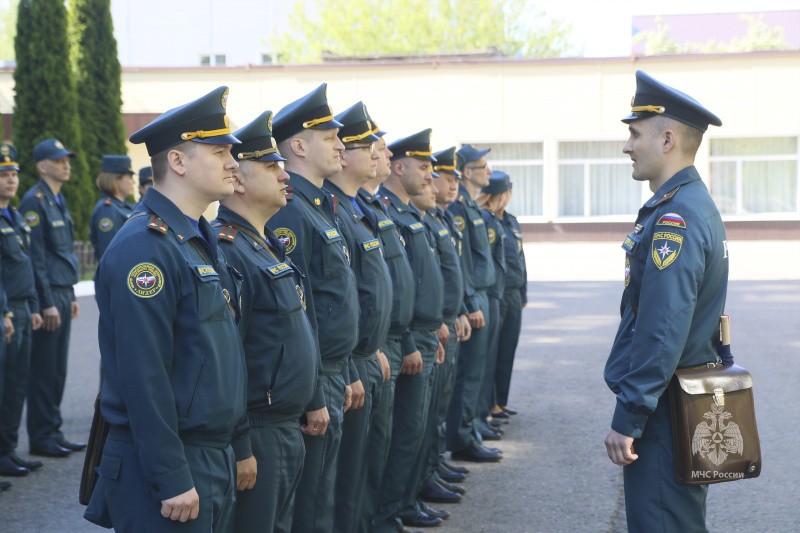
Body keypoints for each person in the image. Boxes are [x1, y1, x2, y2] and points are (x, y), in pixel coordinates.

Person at [84, 86, 251, 532]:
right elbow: (144, 372)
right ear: (177, 162)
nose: (234, 162)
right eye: (219, 152)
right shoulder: (146, 246)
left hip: (207, 453)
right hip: (166, 462)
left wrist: (238, 441)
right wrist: (170, 475)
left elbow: (218, 351)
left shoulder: (195, 237)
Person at [603, 70, 728, 532]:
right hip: (675, 400)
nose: (627, 145)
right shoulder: (688, 203)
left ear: (668, 139)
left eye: (635, 134)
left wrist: (629, 415)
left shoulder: (676, 215)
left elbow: (662, 328)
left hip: (664, 411)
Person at [212, 110, 318, 533]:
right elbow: (230, 358)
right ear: (239, 180)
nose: (284, 174)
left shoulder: (265, 242)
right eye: (271, 166)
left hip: (284, 424)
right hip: (259, 427)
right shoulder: (230, 249)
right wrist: (241, 445)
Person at [267, 83, 360, 533]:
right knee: (308, 502)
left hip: (335, 367)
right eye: (330, 137)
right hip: (316, 374)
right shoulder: (292, 211)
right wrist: (315, 390)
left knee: (323, 491)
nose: (341, 145)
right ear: (299, 146)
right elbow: (297, 311)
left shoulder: (320, 206)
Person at [325, 102, 393, 533]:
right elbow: (330, 304)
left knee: (367, 463)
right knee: (341, 480)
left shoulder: (357, 208)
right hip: (345, 363)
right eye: (367, 146)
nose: (376, 154)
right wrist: (352, 361)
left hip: (369, 353)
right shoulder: (329, 209)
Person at [375, 129, 445, 532]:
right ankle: (391, 510)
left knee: (415, 428)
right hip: (404, 337)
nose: (430, 176)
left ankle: (404, 501)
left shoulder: (409, 213)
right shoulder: (387, 210)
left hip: (420, 333)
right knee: (402, 433)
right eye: (423, 167)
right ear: (398, 168)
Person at [354, 117, 417, 533]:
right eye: (376, 148)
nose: (387, 154)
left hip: (384, 344)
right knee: (350, 475)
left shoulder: (368, 207)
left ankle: (391, 510)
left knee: (383, 447)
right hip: (359, 356)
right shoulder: (339, 210)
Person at [20, 138, 82, 458]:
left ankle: (53, 431)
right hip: (48, 297)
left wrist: (69, 293)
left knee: (57, 369)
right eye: (59, 161)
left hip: (61, 291)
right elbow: (37, 259)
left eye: (67, 159)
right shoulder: (34, 201)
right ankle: (41, 437)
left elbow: (62, 256)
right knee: (44, 369)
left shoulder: (57, 199)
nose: (66, 164)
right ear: (43, 166)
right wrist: (45, 302)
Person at [445, 144, 501, 462]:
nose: (489, 172)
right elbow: (459, 261)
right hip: (473, 297)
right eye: (483, 166)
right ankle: (462, 439)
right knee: (466, 374)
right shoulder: (456, 208)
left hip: (482, 293)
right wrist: (468, 303)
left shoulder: (470, 207)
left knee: (477, 371)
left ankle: (470, 430)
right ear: (466, 171)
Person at [0, 143, 44, 481]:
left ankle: (6, 452)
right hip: (5, 310)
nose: (11, 180)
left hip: (21, 308)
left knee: (15, 385)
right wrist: (6, 313)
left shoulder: (14, 217)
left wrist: (32, 308)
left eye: (14, 174)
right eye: (4, 174)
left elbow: (22, 268)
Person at [484, 171, 527, 420]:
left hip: (512, 293)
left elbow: (521, 259)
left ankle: (501, 401)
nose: (507, 197)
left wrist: (523, 291)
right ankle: (488, 404)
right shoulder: (488, 221)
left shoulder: (511, 221)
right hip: (495, 294)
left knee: (508, 349)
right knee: (492, 351)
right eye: (504, 192)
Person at [89, 155, 136, 265]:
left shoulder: (124, 207)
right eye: (129, 177)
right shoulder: (107, 210)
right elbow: (109, 254)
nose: (133, 182)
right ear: (116, 180)